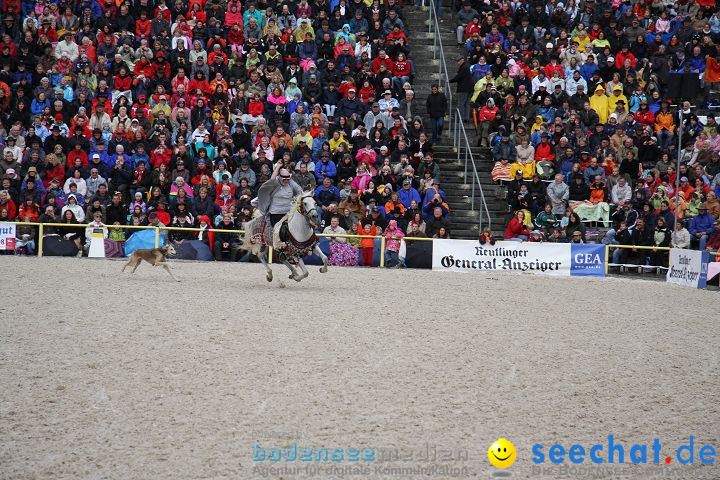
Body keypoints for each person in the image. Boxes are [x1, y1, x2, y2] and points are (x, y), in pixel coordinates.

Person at [256, 162, 304, 227]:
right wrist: (278, 167)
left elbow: (300, 191)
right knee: (277, 232)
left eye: (288, 179)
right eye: (285, 179)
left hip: (288, 213)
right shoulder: (275, 182)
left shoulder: (291, 182)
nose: (287, 181)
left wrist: (296, 201)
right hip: (275, 213)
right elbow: (272, 179)